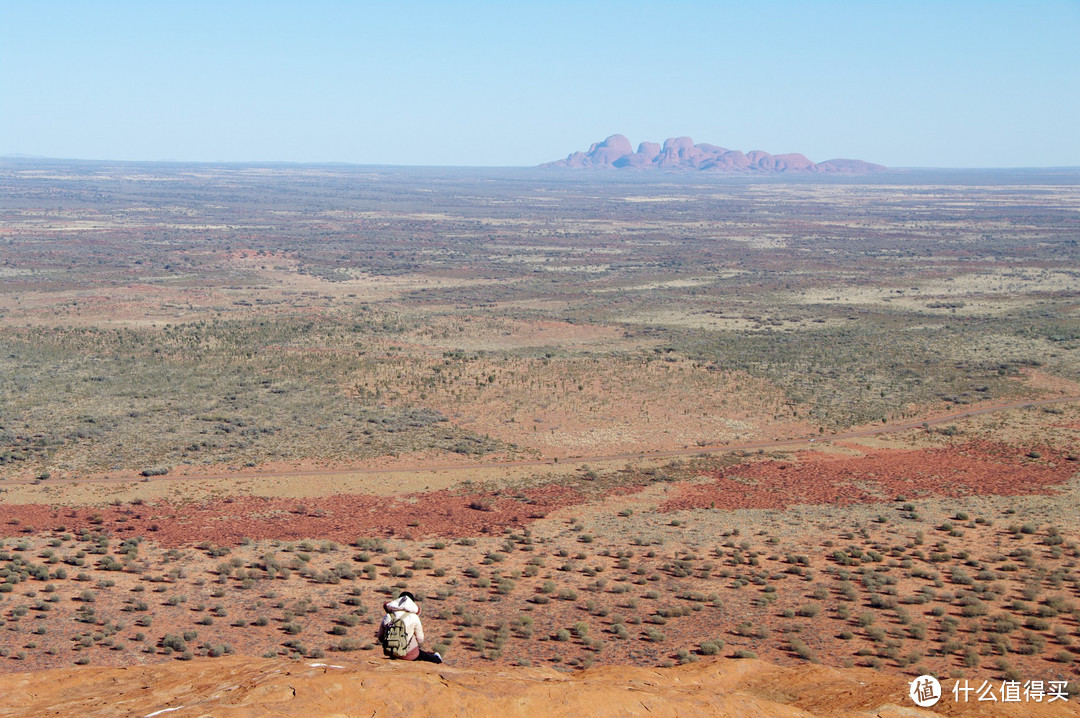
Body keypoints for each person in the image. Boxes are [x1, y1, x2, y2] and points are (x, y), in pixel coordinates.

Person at [377, 591, 443, 664]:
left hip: (390, 652)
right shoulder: (414, 617)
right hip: (409, 655)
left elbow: (380, 637)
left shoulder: (388, 616)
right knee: (430, 657)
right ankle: (437, 658)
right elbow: (420, 639)